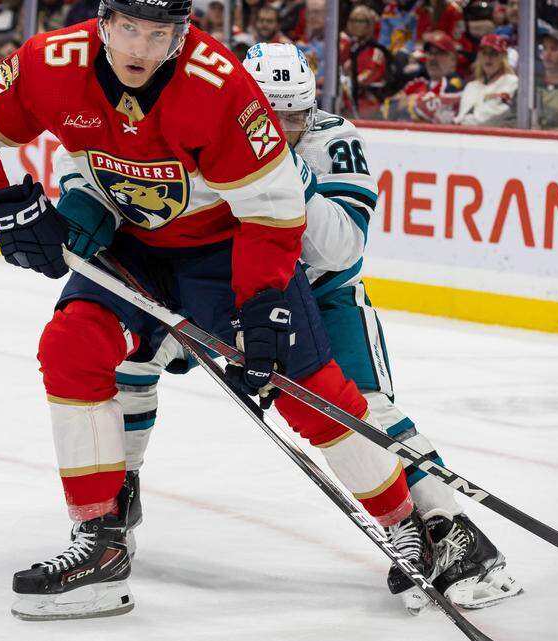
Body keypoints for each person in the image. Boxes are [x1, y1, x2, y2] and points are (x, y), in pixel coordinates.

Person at [0, 0, 428, 621]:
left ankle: (402, 522)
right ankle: (99, 544)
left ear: (181, 35)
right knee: (71, 347)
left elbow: (272, 207)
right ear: (103, 24)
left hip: (226, 248)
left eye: (158, 35)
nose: (139, 49)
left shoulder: (220, 87)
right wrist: (0, 205)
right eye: (128, 29)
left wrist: (265, 300)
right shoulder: (49, 63)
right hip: (131, 245)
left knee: (304, 383)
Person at [111, 40, 522, 613]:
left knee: (365, 411)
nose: (282, 129)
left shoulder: (333, 141)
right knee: (121, 363)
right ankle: (114, 500)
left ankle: (450, 531)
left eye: (295, 118)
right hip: (223, 294)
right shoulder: (199, 122)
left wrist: (288, 172)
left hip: (322, 297)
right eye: (269, 117)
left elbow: (340, 247)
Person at [381, 30, 464, 122]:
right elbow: (387, 108)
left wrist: (411, 102)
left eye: (439, 53)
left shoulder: (456, 84)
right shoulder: (417, 84)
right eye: (430, 53)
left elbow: (444, 107)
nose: (432, 58)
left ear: (453, 59)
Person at [455, 33, 517, 127]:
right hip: (466, 136)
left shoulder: (511, 82)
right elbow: (461, 116)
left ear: (503, 57)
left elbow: (492, 116)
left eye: (494, 53)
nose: (488, 58)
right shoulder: (471, 86)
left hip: (497, 138)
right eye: (484, 53)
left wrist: (460, 123)